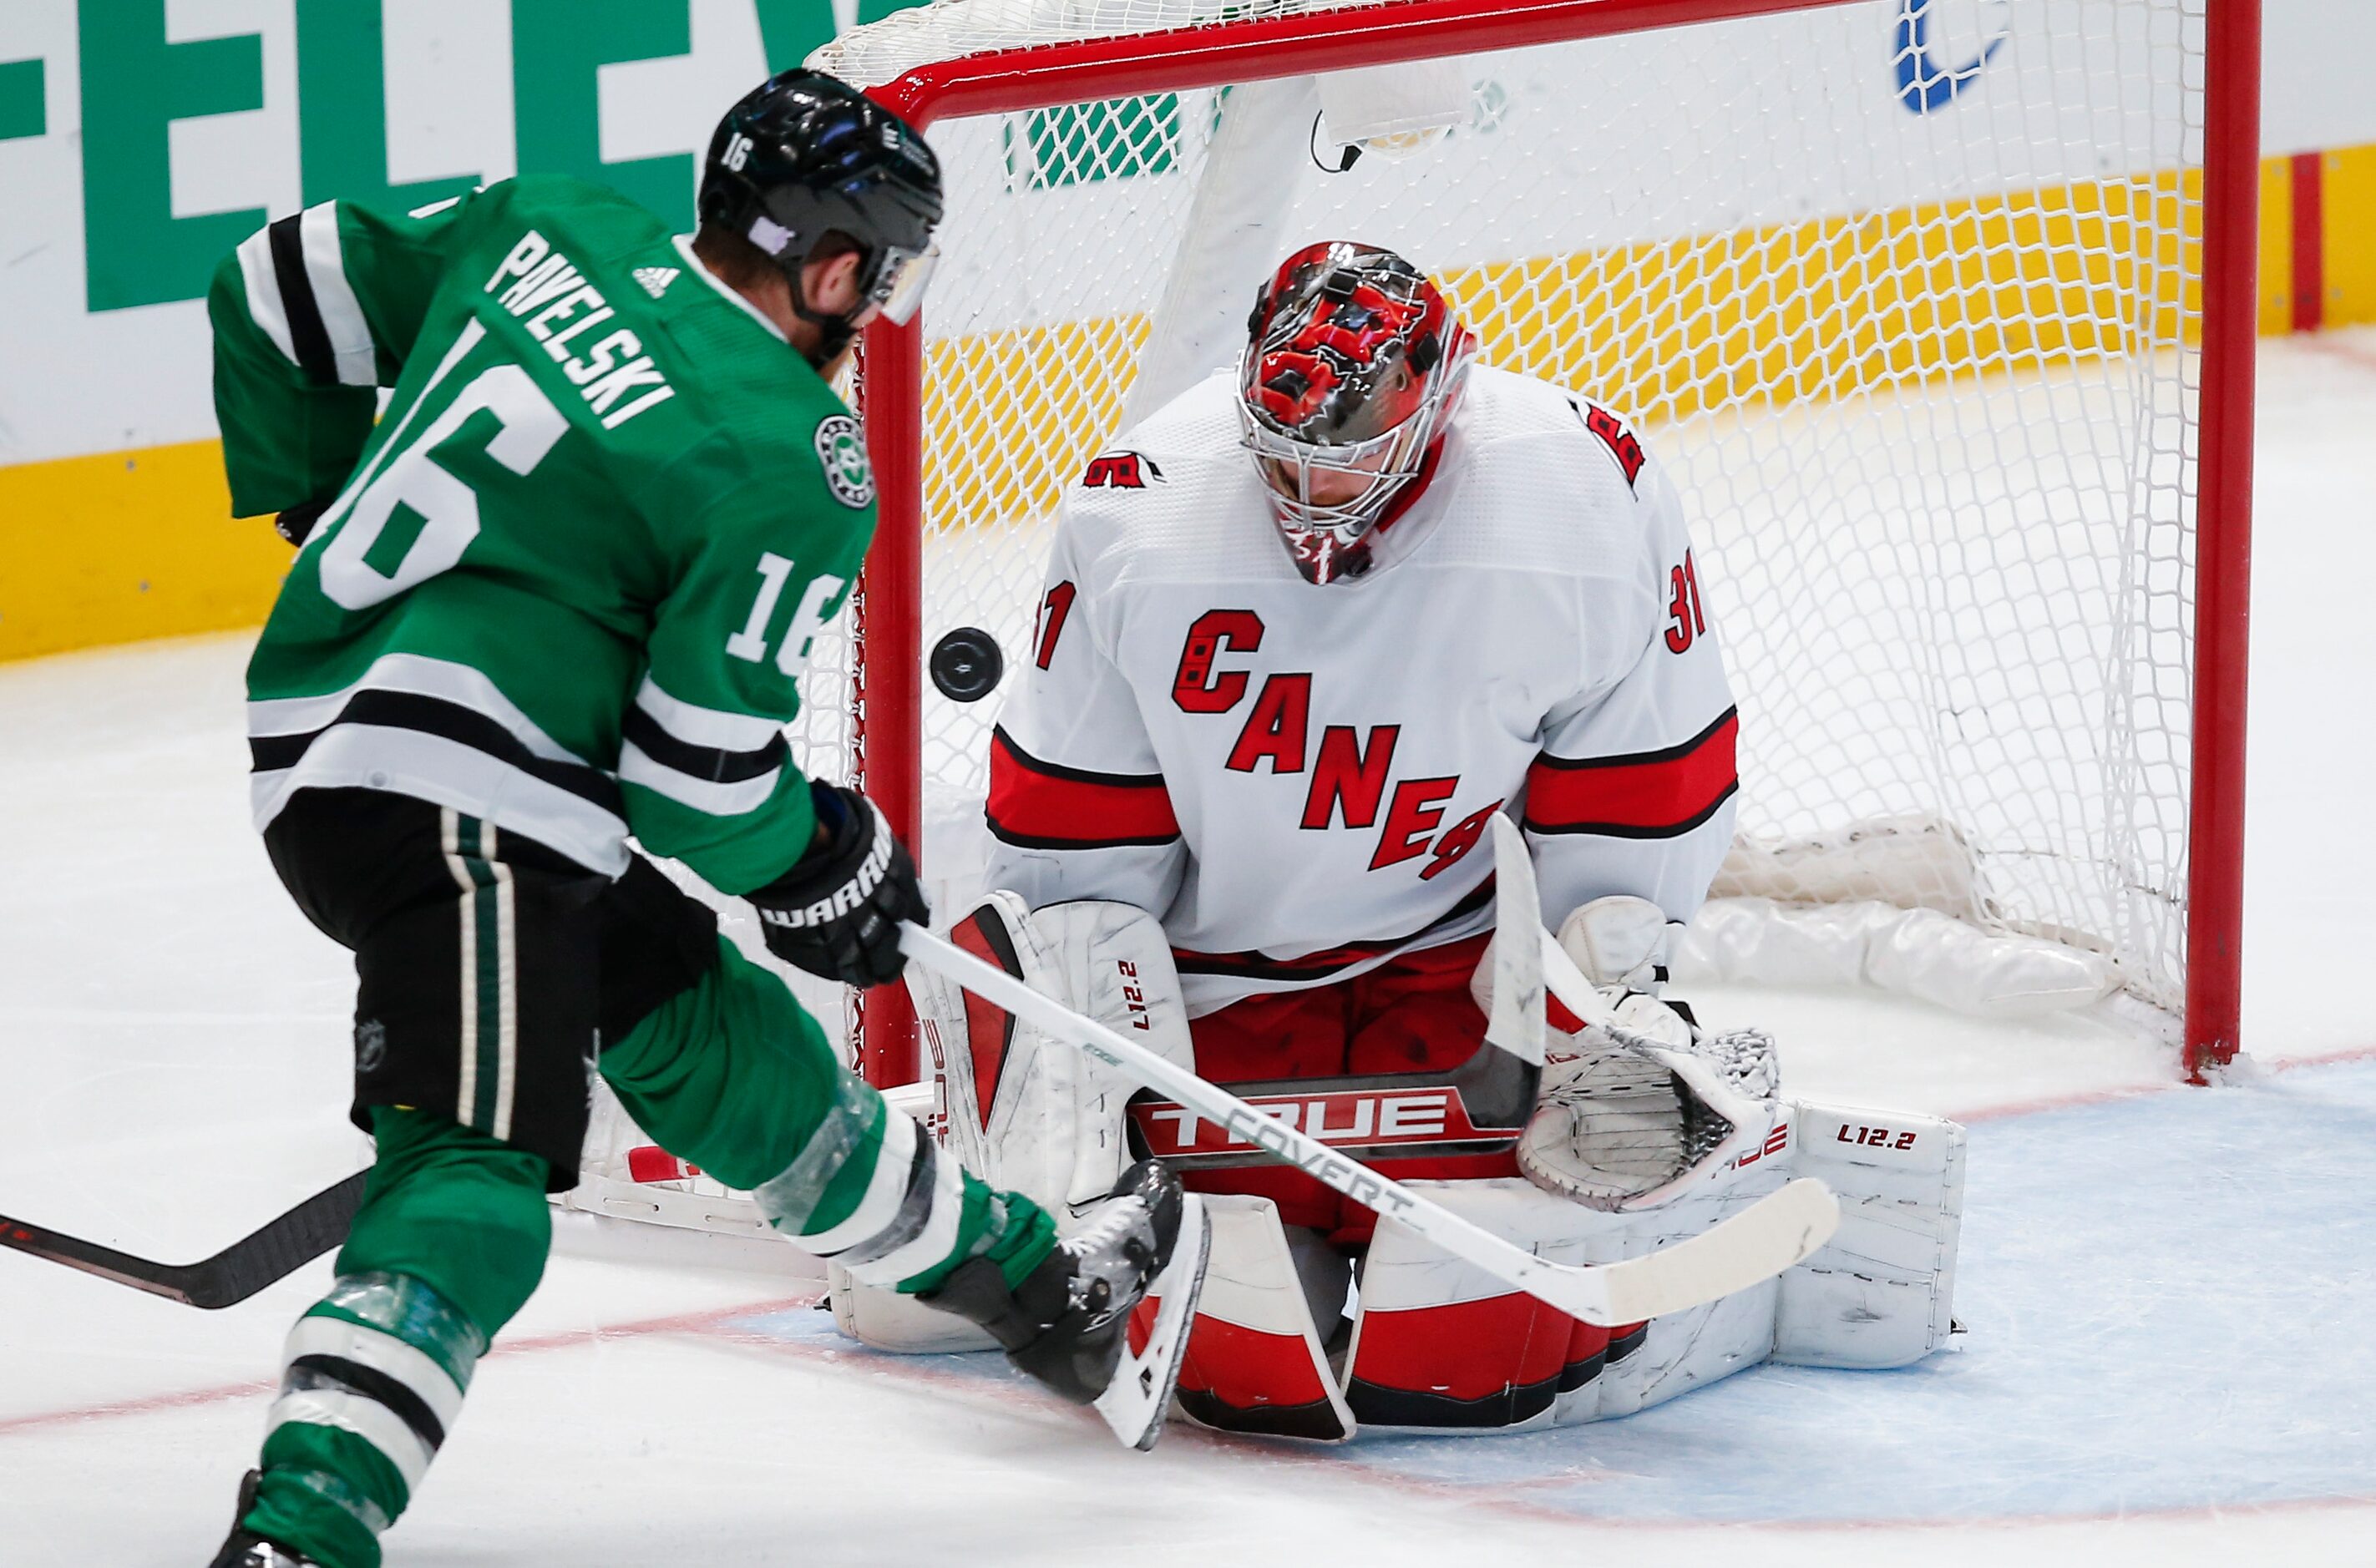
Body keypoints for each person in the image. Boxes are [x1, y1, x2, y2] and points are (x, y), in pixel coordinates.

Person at [203, 71, 1205, 1568]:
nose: (877, 308)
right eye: (886, 272)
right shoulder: (784, 451)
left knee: (719, 1042)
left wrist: (317, 508)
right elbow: (698, 777)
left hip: (415, 763)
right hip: (458, 801)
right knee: (477, 1183)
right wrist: (825, 864)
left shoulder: (549, 225)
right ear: (835, 263)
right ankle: (300, 1536)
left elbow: (275, 279)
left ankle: (1040, 1290)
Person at [889, 241, 1963, 1439]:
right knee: (1242, 1365)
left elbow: (1640, 784)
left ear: (1439, 399)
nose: (1311, 488)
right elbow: (1074, 830)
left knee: (1475, 1351)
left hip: (1451, 971)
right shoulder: (1136, 507)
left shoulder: (1577, 488)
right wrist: (1081, 1087)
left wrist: (1598, 1001)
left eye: (1345, 459)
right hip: (1217, 993)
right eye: (1282, 452)